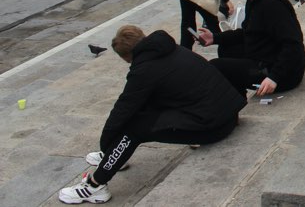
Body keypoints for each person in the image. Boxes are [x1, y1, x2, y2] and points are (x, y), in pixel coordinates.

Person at [59, 25, 245, 205]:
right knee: (144, 110)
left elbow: (121, 111)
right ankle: (113, 156)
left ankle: (95, 186)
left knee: (134, 129)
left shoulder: (144, 70)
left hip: (215, 127)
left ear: (127, 57)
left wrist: (106, 145)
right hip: (227, 114)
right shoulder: (169, 48)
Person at [198, 0, 305, 97]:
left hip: (284, 74)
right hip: (266, 56)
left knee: (216, 66)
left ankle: (234, 106)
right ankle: (239, 96)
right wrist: (214, 38)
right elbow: (247, 33)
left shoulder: (273, 5)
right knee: (227, 49)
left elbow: (294, 45)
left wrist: (274, 77)